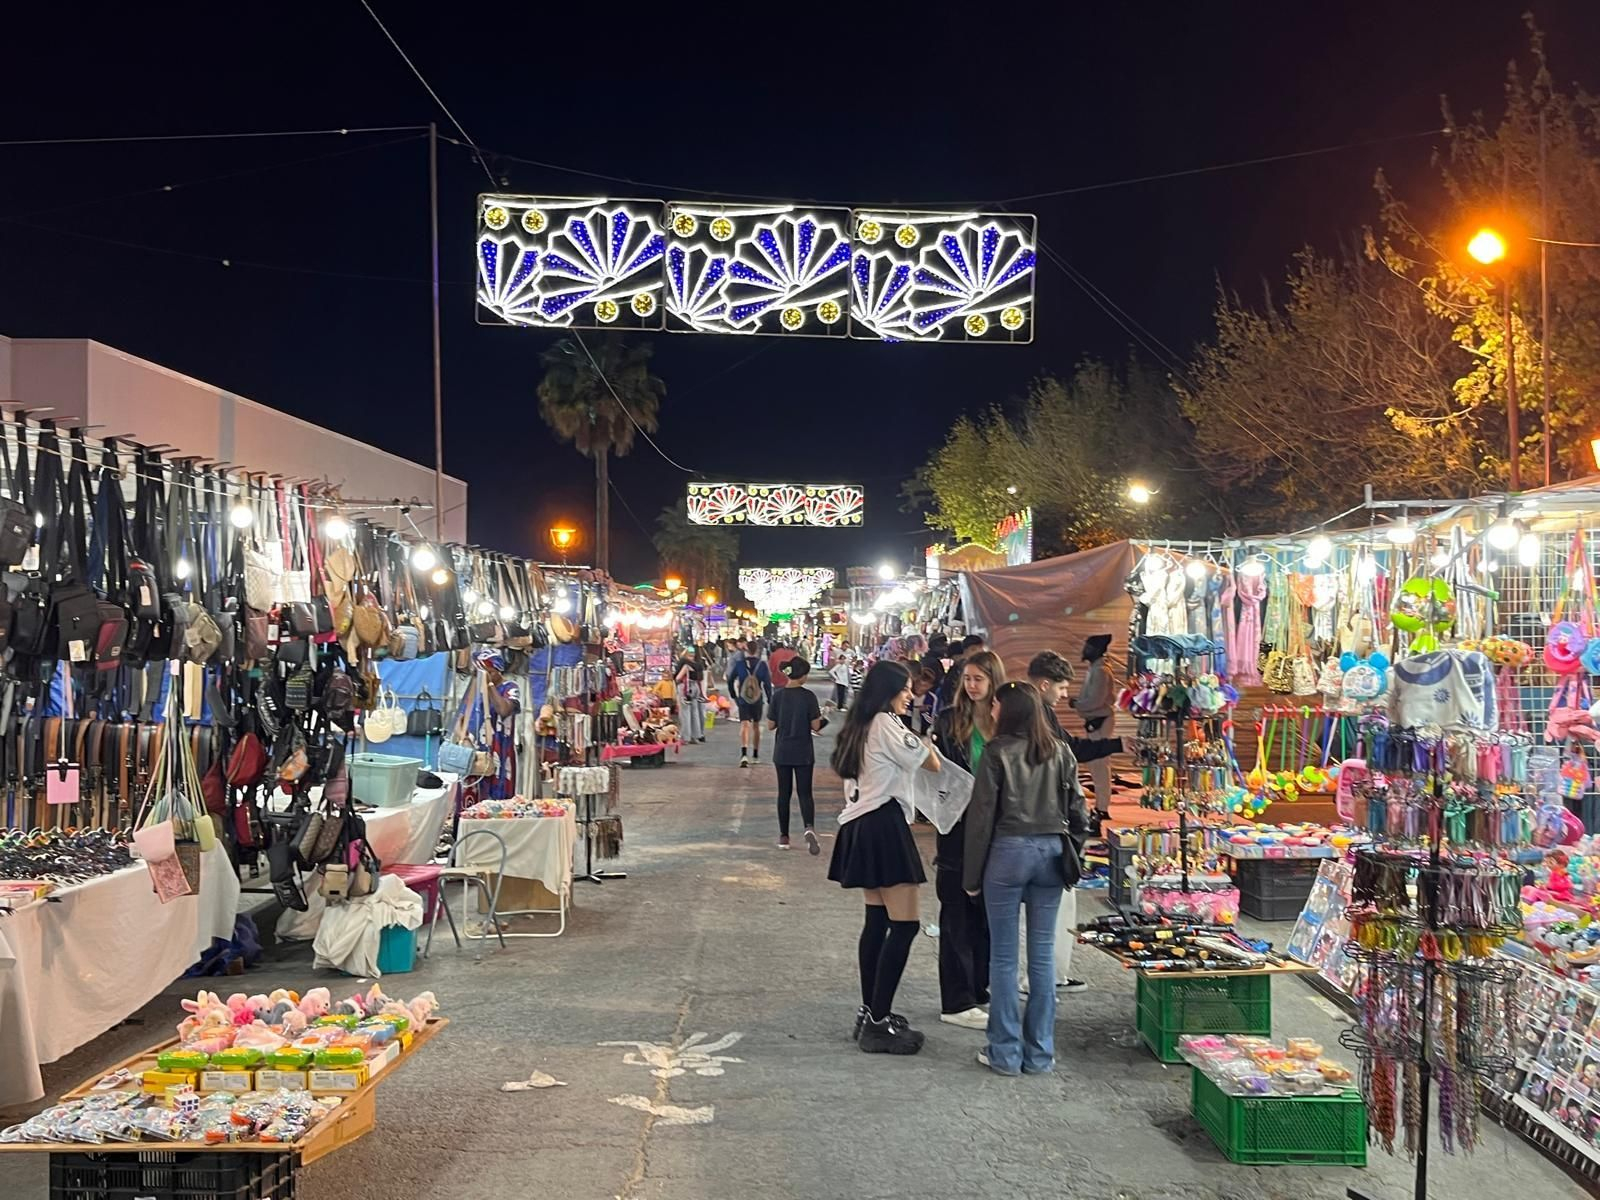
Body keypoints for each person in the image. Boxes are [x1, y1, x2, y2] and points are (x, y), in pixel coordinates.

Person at [964, 682, 1089, 1076]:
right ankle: (1039, 1054)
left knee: (1003, 957)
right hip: (1051, 853)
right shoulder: (1061, 751)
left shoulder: (997, 752)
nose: (993, 710)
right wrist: (1073, 851)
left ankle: (1004, 1052)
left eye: (997, 704)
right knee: (1042, 956)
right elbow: (1080, 812)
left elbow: (981, 818)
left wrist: (972, 875)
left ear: (1010, 710)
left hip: (1008, 853)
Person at [828, 661, 942, 1055]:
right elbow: (931, 762)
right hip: (884, 826)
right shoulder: (886, 723)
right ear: (891, 690)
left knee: (877, 922)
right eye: (907, 688)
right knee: (906, 925)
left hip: (860, 825)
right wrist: (926, 741)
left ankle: (871, 1012)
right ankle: (878, 1023)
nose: (910, 695)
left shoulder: (857, 724)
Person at [931, 649, 1003, 1030]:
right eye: (968, 679)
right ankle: (956, 1000)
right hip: (957, 830)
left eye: (979, 679)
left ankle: (978, 988)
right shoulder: (948, 720)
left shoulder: (1004, 721)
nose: (972, 686)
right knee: (956, 913)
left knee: (987, 915)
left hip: (996, 831)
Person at [1022, 650, 1094, 993]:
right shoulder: (1035, 717)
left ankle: (1048, 977)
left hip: (1041, 826)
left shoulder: (1041, 713)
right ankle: (1042, 979)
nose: (1064, 694)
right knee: (1047, 910)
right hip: (1045, 826)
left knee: (1049, 910)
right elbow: (1063, 759)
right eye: (1062, 687)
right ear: (1045, 684)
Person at [768, 656, 825, 853]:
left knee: (783, 793)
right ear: (802, 676)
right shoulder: (809, 697)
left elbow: (770, 725)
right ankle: (808, 827)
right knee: (805, 793)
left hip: (782, 750)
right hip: (803, 752)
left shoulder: (778, 696)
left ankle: (784, 836)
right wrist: (824, 718)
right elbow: (816, 726)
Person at [1071, 634, 1117, 827]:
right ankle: (1101, 804)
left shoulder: (1101, 672)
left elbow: (1095, 701)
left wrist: (1078, 704)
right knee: (1097, 766)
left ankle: (1102, 807)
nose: (1085, 650)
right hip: (1095, 720)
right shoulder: (1095, 669)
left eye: (1088, 647)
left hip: (1101, 720)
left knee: (1100, 766)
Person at [471, 648, 521, 800]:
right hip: (477, 753)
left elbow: (504, 710)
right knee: (475, 797)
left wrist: (490, 686)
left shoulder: (511, 688)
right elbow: (463, 717)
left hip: (501, 752)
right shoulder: (475, 689)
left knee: (499, 799)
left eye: (489, 672)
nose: (484, 676)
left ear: (498, 671)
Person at [729, 641, 771, 766]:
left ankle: (744, 754)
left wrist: (734, 696)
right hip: (757, 699)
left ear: (746, 650)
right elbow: (768, 684)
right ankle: (756, 755)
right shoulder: (762, 665)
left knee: (744, 725)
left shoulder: (740, 664)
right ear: (757, 651)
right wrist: (770, 699)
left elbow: (730, 679)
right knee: (756, 726)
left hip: (743, 699)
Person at [937, 633, 988, 708]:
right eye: (975, 649)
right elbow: (951, 694)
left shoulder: (980, 667)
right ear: (967, 651)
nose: (980, 652)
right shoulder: (960, 669)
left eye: (981, 648)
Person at [676, 650, 708, 743]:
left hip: (685, 688)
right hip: (696, 687)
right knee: (695, 713)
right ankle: (696, 735)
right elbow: (701, 678)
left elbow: (678, 677)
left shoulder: (685, 664)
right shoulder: (699, 664)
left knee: (685, 713)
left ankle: (685, 737)